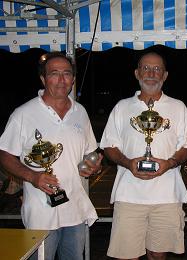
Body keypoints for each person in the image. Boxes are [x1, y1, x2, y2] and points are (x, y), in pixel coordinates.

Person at [0, 52, 102, 260]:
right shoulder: (24, 114)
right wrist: (33, 177)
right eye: (54, 73)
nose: (61, 80)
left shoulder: (80, 112)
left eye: (66, 73)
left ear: (73, 79)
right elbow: (4, 154)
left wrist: (92, 165)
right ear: (43, 79)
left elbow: (89, 152)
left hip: (75, 211)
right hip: (41, 213)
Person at [100, 51, 187, 260]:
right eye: (146, 68)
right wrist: (128, 162)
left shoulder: (178, 107)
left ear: (165, 75)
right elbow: (109, 147)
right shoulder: (122, 107)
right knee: (127, 256)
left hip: (167, 196)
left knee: (158, 255)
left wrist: (169, 163)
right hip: (129, 196)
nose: (151, 73)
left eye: (157, 69)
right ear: (137, 73)